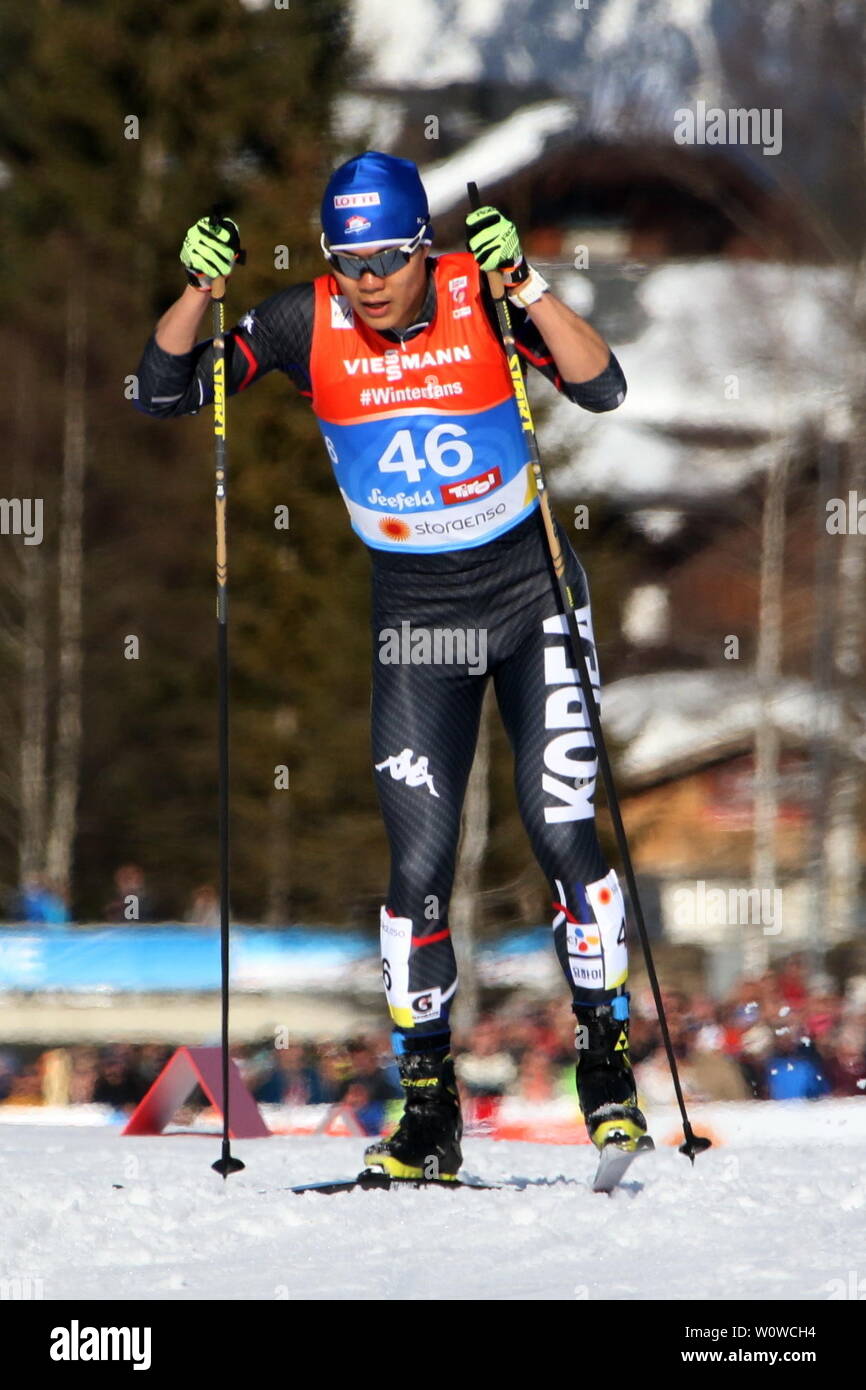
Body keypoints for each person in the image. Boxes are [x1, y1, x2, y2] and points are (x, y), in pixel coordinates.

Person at [132, 150, 640, 1181]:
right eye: (347, 256)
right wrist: (196, 293)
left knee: (559, 829)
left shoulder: (479, 295)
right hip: (416, 614)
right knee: (415, 870)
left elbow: (602, 385)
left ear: (425, 247)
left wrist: (528, 287)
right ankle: (427, 1113)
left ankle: (604, 1065)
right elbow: (163, 392)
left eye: (388, 256)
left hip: (529, 594)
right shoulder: (300, 320)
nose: (367, 278)